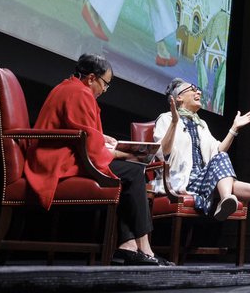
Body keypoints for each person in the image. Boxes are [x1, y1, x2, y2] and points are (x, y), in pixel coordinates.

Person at [24, 54, 168, 265]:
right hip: (55, 161)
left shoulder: (69, 87)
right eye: (105, 83)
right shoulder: (79, 93)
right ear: (91, 78)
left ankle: (128, 245)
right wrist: (126, 153)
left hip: (60, 154)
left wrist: (103, 138)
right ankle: (143, 247)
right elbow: (89, 148)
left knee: (129, 171)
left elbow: (82, 131)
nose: (104, 90)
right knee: (134, 170)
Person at [154, 77, 250, 219]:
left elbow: (218, 151)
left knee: (221, 159)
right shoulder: (165, 119)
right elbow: (163, 153)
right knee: (228, 179)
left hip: (200, 179)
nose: (199, 92)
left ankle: (242, 197)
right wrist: (175, 122)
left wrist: (234, 128)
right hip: (180, 181)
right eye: (193, 89)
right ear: (179, 97)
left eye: (198, 90)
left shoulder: (201, 124)